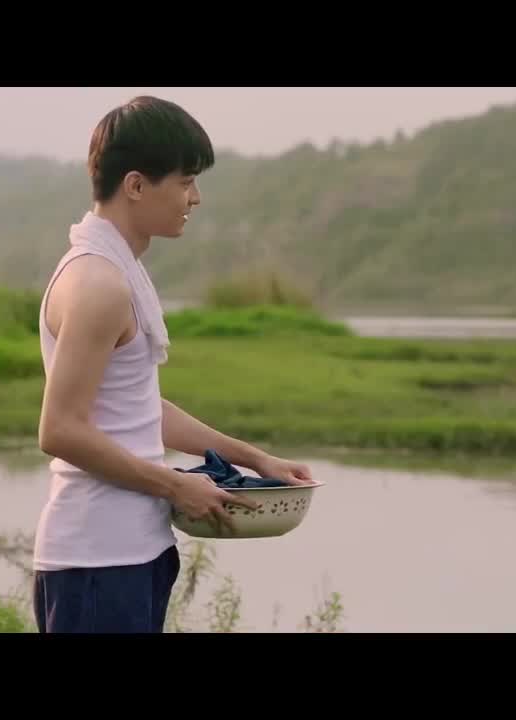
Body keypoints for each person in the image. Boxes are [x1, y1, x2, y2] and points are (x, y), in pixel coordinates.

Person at [32, 95, 314, 634]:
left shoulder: (117, 271)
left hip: (131, 553)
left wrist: (256, 459)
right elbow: (60, 429)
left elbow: (138, 408)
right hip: (97, 562)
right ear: (136, 186)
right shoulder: (97, 284)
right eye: (185, 182)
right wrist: (175, 486)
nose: (195, 197)